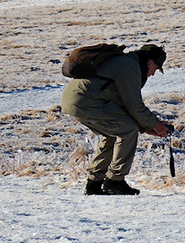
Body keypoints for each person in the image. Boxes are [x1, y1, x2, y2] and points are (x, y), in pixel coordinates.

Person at [61, 44, 173, 196]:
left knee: (114, 132)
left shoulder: (125, 62)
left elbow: (124, 106)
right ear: (150, 62)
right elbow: (134, 106)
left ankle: (94, 183)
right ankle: (115, 181)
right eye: (156, 69)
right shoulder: (129, 67)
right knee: (127, 130)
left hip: (77, 100)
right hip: (87, 101)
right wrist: (155, 124)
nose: (152, 74)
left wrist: (148, 127)